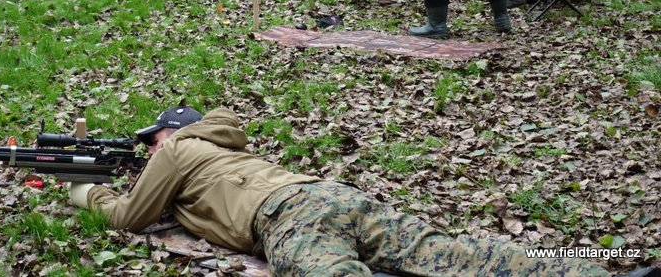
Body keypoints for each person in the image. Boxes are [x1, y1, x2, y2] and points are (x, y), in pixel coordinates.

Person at [69, 106, 620, 276]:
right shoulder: (226, 149)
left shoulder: (177, 151)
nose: (149, 148)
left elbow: (129, 217)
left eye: (153, 139)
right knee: (458, 253)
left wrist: (83, 189)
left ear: (172, 133)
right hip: (333, 196)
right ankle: (593, 269)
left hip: (288, 217)